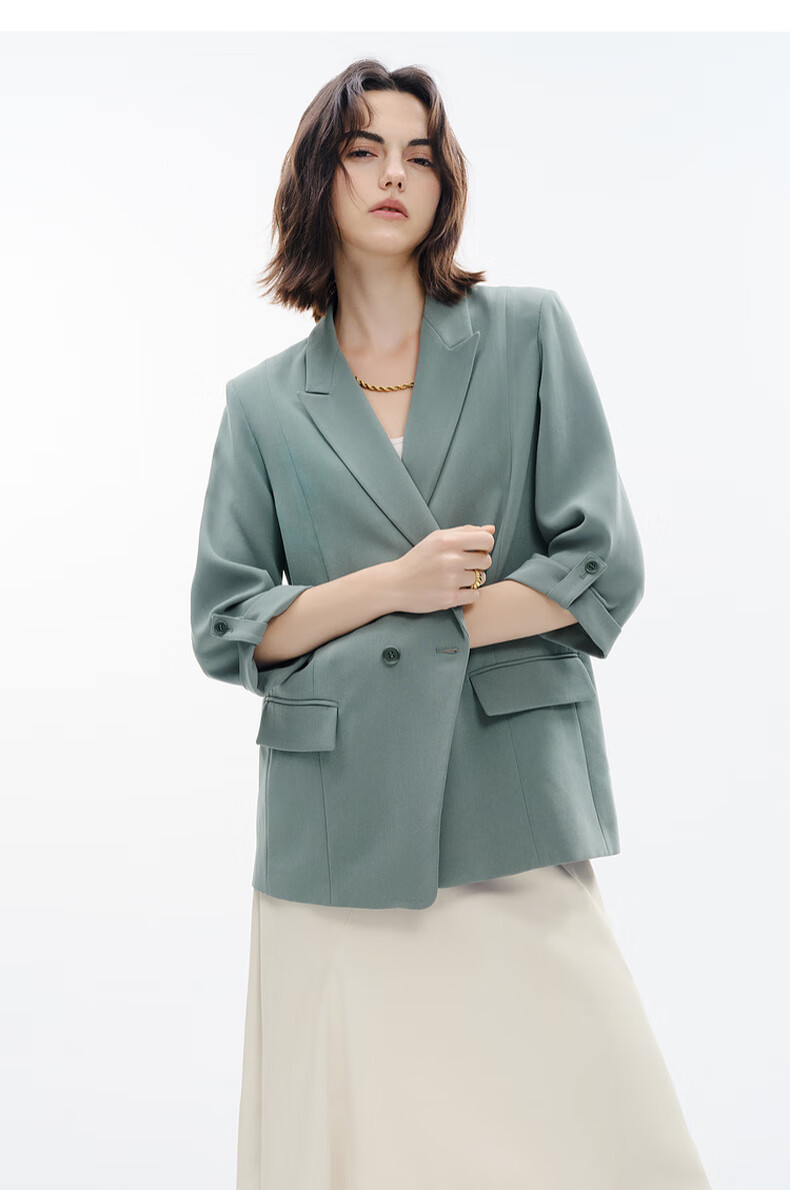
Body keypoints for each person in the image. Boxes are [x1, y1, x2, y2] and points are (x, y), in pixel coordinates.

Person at [190, 58, 713, 1190]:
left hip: (508, 784)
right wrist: (395, 585)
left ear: (445, 184)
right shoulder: (262, 404)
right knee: (366, 1140)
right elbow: (229, 622)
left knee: (598, 1128)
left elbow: (598, 562)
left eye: (418, 154)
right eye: (364, 150)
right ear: (318, 177)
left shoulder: (525, 332)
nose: (394, 174)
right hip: (338, 815)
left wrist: (421, 629)